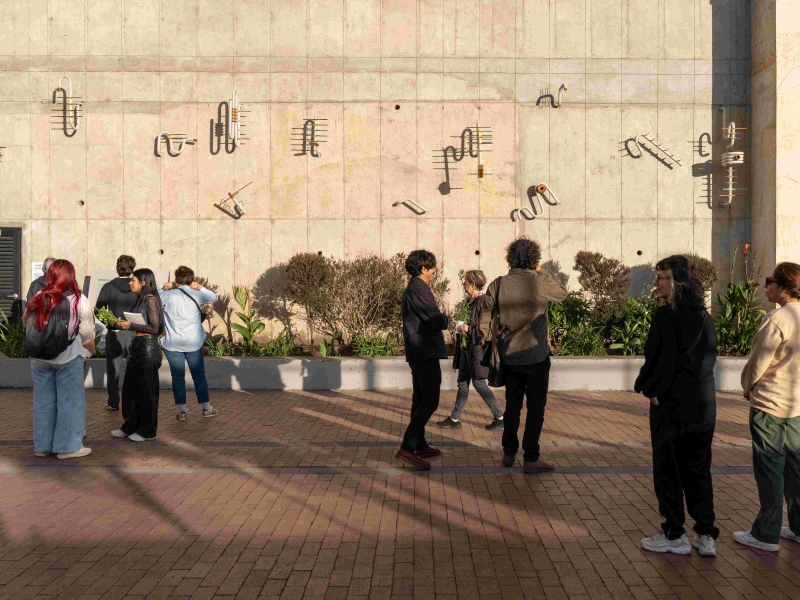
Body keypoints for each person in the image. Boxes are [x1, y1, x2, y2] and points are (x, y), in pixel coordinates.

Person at [635, 255, 719, 556]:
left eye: (662, 277)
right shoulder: (704, 317)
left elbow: (660, 359)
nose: (657, 284)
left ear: (677, 281)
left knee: (669, 469)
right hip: (702, 405)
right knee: (698, 470)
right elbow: (705, 361)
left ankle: (674, 533)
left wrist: (651, 388)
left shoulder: (665, 316)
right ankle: (706, 535)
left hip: (670, 405)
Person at [479, 238, 567, 474]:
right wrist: (541, 270)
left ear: (511, 258)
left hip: (509, 356)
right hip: (536, 357)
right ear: (534, 259)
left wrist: (484, 340)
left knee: (512, 406)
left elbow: (485, 315)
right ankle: (531, 457)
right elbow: (562, 293)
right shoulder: (540, 282)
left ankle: (509, 453)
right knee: (536, 408)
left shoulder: (498, 284)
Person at [735, 262, 800, 552]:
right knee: (796, 470)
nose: (766, 286)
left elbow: (758, 363)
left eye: (770, 280)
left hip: (770, 405)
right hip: (797, 407)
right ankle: (798, 528)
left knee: (770, 469)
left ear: (784, 287)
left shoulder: (778, 319)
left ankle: (766, 534)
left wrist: (747, 387)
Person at [24, 259, 95, 459]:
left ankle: (42, 446)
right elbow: (87, 333)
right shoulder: (79, 299)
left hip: (38, 358)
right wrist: (83, 351)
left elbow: (28, 324)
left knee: (43, 403)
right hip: (68, 357)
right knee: (70, 402)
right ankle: (68, 447)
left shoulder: (38, 296)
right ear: (71, 275)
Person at [397, 250, 449, 470]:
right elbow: (435, 319)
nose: (434, 271)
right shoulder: (419, 288)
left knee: (420, 399)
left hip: (419, 351)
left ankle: (418, 443)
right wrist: (446, 319)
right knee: (430, 400)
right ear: (422, 269)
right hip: (423, 351)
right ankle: (408, 448)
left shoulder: (416, 288)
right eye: (431, 267)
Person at [437, 270, 504, 430]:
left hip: (477, 349)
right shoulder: (470, 301)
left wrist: (468, 328)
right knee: (462, 383)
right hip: (466, 349)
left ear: (473, 284)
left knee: (479, 383)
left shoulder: (482, 302)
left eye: (466, 281)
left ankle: (500, 416)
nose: (463, 284)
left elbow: (485, 329)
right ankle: (454, 419)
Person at [111, 269, 164, 442]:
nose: (130, 283)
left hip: (147, 348)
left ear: (143, 282)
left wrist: (131, 325)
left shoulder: (150, 301)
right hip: (137, 346)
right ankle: (130, 426)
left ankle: (147, 431)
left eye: (133, 280)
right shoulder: (140, 300)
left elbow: (155, 328)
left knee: (146, 391)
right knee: (130, 390)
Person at [160, 266, 218, 420]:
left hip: (172, 343)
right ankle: (206, 408)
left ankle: (182, 411)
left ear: (176, 278)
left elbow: (152, 298)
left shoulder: (168, 295)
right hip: (194, 343)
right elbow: (213, 298)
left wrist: (165, 287)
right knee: (198, 375)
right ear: (191, 279)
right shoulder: (196, 293)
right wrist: (199, 287)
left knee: (177, 376)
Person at [95, 255, 138, 411]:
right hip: (133, 332)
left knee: (114, 369)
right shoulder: (137, 286)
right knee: (135, 368)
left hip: (114, 332)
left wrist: (109, 322)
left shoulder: (108, 287)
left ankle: (113, 402)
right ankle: (134, 401)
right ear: (132, 268)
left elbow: (98, 309)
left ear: (117, 267)